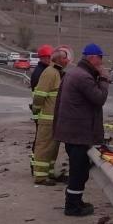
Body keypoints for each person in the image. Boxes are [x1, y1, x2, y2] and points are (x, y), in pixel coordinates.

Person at [53, 43, 109, 217]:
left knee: (79, 170)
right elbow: (99, 98)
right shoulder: (83, 77)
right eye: (100, 58)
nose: (101, 63)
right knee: (78, 171)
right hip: (78, 133)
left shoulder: (74, 73)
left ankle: (75, 201)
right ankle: (73, 206)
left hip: (72, 132)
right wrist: (104, 79)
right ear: (92, 58)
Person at [30, 47, 70, 185]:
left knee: (52, 149)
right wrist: (37, 110)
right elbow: (39, 96)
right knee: (44, 148)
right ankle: (40, 177)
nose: (67, 60)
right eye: (64, 57)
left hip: (55, 119)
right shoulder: (50, 73)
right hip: (47, 118)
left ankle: (50, 173)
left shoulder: (57, 73)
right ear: (58, 59)